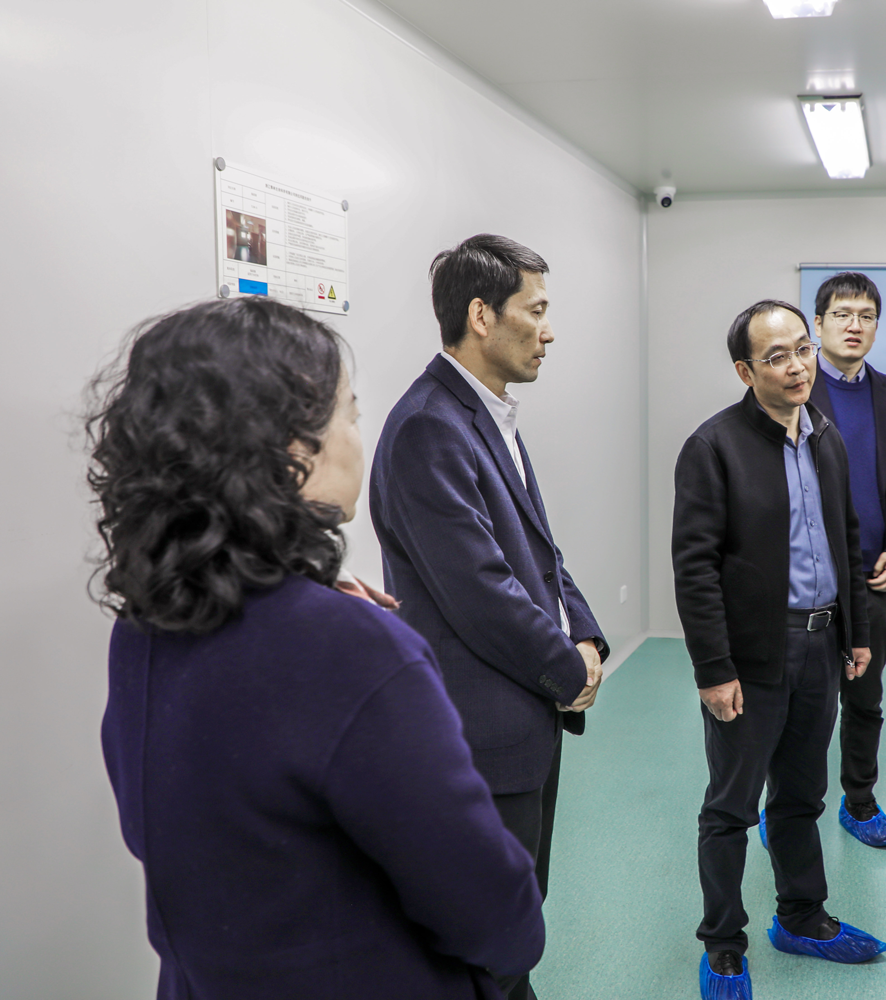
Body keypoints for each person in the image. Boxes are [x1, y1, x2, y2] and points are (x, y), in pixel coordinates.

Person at [89, 298, 544, 999]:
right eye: (350, 415)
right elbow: (499, 918)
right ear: (294, 451)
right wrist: (337, 624)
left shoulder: (143, 630)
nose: (359, 436)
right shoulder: (356, 650)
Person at [369, 234, 608, 1000]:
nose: (548, 331)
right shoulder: (428, 426)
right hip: (481, 730)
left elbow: (538, 550)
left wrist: (587, 632)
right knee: (490, 941)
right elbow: (481, 590)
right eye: (535, 312)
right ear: (481, 315)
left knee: (517, 918)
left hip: (521, 716)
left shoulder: (486, 413)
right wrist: (569, 670)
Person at [672, 299, 886, 1000]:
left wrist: (856, 632)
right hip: (752, 657)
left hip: (822, 647)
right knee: (731, 807)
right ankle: (723, 945)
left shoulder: (825, 437)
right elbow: (695, 568)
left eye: (803, 349)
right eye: (777, 356)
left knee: (800, 796)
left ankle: (801, 917)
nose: (798, 366)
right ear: (745, 371)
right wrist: (714, 669)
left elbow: (847, 538)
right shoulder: (713, 447)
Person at [806, 271, 886, 848]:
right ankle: (787, 805)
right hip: (807, 579)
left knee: (864, 698)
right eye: (842, 314)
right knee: (802, 702)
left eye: (866, 316)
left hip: (872, 579)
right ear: (818, 323)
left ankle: (858, 801)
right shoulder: (795, 389)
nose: (854, 326)